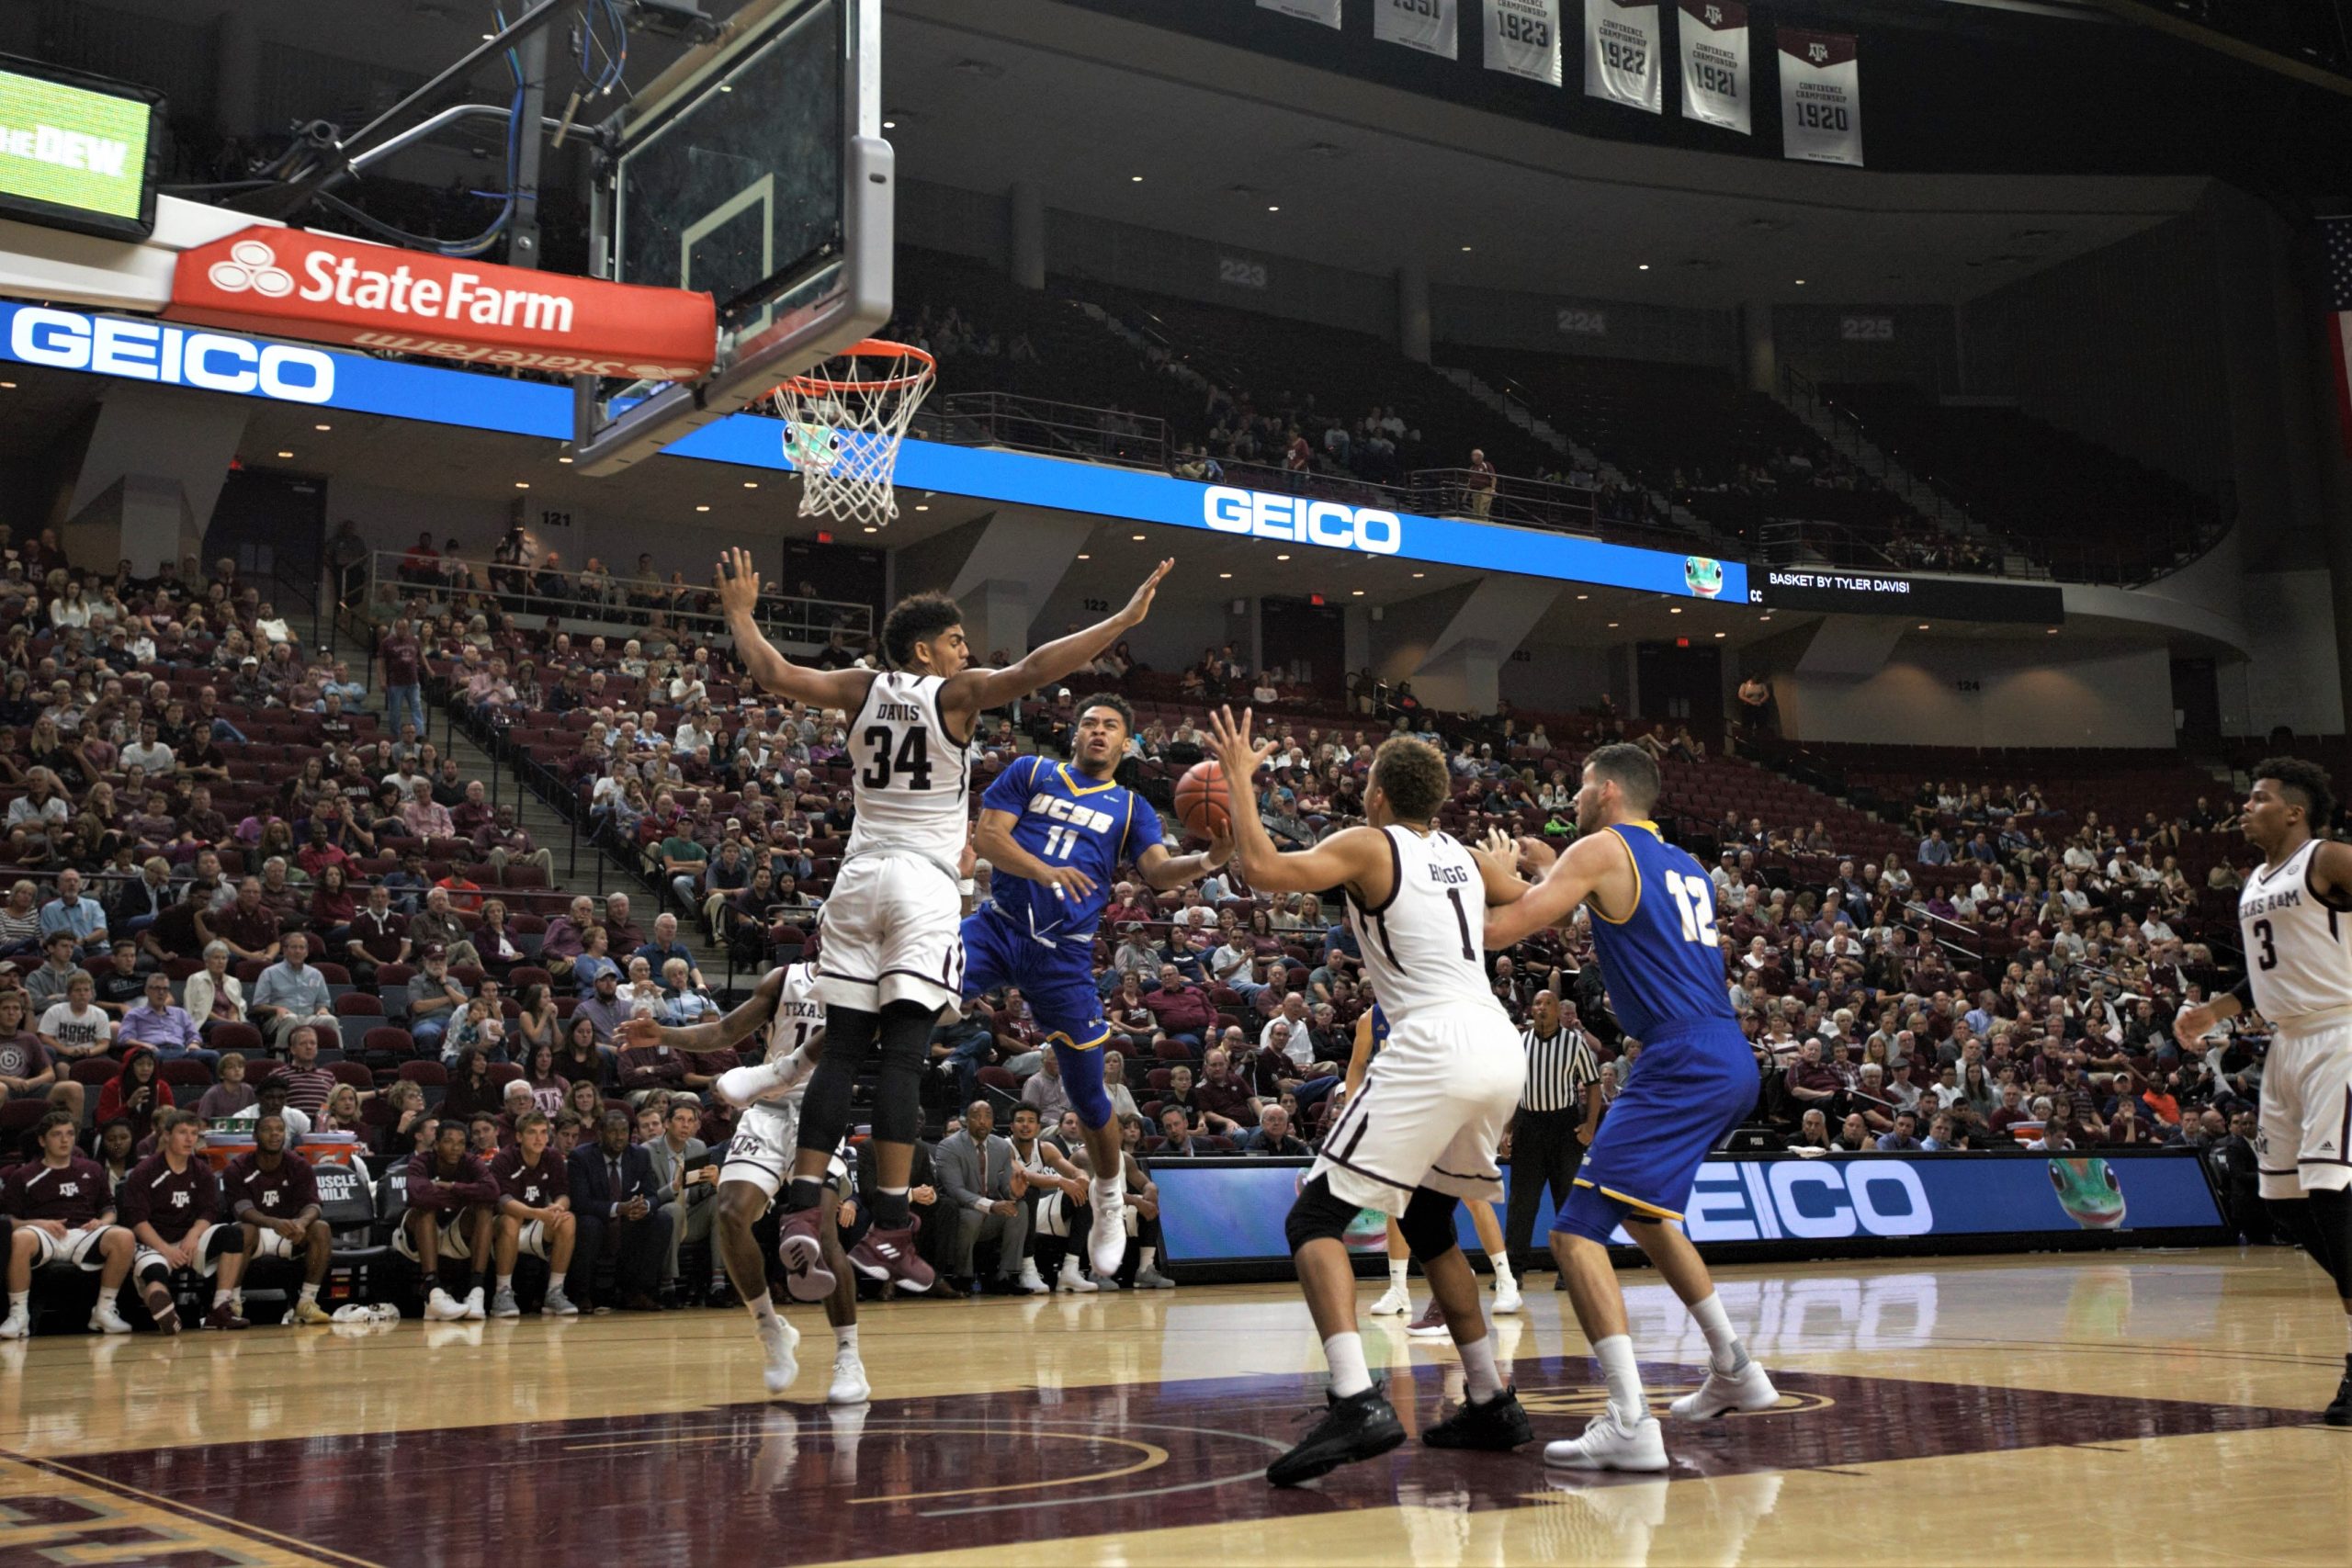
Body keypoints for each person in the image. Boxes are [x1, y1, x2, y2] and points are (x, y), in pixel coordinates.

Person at [715, 544, 1171, 1303]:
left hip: (856, 878)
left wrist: (740, 616)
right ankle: (890, 1225)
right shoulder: (954, 695)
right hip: (924, 885)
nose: (967, 651)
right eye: (957, 640)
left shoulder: (859, 686)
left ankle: (800, 1203)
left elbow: (772, 673)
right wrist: (1122, 620)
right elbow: (1038, 667)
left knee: (845, 1051)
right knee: (900, 1054)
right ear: (928, 650)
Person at [1204, 709, 1532, 1487]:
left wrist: (1243, 783)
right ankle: (1488, 1395)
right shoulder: (1458, 853)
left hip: (1435, 1041)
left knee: (1313, 1214)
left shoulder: (1367, 843)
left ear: (1377, 793)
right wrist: (1508, 861)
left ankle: (1355, 1397)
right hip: (1497, 1042)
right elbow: (1514, 905)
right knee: (1427, 1219)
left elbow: (1263, 869)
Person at [1478, 743, 1780, 1472]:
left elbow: (1502, 930)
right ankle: (1736, 1365)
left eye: (1580, 787)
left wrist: (1494, 881)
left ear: (1607, 791)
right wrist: (1549, 869)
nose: (1572, 796)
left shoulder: (1598, 849)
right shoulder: (1685, 865)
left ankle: (1628, 1419)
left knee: (1575, 1236)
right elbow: (1607, 897)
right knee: (1647, 1216)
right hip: (1728, 1056)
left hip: (1677, 1057)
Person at [959, 693, 1233, 1287]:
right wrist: (1044, 869)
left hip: (1065, 956)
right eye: (1090, 723)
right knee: (914, 991)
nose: (1099, 731)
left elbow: (1158, 871)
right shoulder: (1032, 770)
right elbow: (988, 836)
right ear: (1074, 734)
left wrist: (1209, 859)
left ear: (1127, 742)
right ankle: (799, 1060)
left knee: (1091, 1097)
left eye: (1111, 724)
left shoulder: (1131, 806)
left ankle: (1109, 1198)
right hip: (999, 926)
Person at [2172, 758, 2352, 1427]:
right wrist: (2212, 1012)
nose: (2245, 807)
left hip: (2341, 1032)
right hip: (2285, 1045)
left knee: (2333, 1191)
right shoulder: (2255, 881)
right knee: (2284, 1204)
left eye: (2259, 798)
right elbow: (2266, 972)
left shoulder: (2327, 856)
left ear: (2295, 811)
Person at [624, 959, 866, 1397]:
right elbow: (723, 1032)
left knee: (824, 1230)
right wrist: (664, 1033)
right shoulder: (784, 979)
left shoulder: (866, 984)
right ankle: (770, 1329)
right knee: (731, 1213)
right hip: (767, 1109)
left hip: (819, 1113)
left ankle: (848, 1356)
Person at [0, 1111, 138, 1337]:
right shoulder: (24, 1175)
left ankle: (104, 1311)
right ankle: (18, 1316)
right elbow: (9, 1222)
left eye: (70, 1134)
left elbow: (110, 1209)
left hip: (83, 1232)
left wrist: (101, 1222)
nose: (65, 1140)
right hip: (44, 1233)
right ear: (42, 1140)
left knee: (124, 1236)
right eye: (57, 1135)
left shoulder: (91, 1169)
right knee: (20, 1237)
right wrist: (39, 1223)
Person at [119, 1109, 248, 1332]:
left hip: (189, 1242)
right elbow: (138, 1220)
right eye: (183, 1132)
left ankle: (219, 1308)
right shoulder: (145, 1171)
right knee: (155, 1274)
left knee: (232, 1234)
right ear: (167, 1135)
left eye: (194, 1133)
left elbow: (209, 1211)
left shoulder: (202, 1170)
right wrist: (166, 1250)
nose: (190, 1139)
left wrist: (193, 1235)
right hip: (154, 1242)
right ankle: (165, 1311)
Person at [1502, 988, 1601, 1279]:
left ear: (1558, 1011)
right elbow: (1511, 1091)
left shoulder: (1575, 1043)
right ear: (1530, 1011)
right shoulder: (1520, 1042)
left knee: (1568, 1202)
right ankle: (1514, 1273)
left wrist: (1590, 1127)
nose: (1542, 1007)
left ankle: (1570, 1271)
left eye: (1548, 1003)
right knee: (1521, 1203)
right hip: (1528, 1126)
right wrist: (1506, 1131)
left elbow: (1593, 1085)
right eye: (1537, 1003)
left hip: (1564, 1128)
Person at [223, 1112, 334, 1325]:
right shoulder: (237, 1167)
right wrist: (274, 1222)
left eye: (279, 1129)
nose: (275, 1134)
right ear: (255, 1136)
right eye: (267, 1129)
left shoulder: (299, 1165)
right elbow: (243, 1210)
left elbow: (313, 1204)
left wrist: (302, 1222)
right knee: (242, 1231)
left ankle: (306, 1303)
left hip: (290, 1234)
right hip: (255, 1234)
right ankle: (232, 1303)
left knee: (321, 1228)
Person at [935, 1098, 1046, 1296]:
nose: (982, 1121)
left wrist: (1014, 1193)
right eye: (976, 1117)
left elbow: (1003, 1187)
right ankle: (963, 1278)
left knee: (1019, 1208)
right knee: (973, 1216)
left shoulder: (1001, 1147)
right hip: (960, 1212)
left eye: (988, 1117)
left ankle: (1006, 1277)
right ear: (966, 1120)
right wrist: (990, 1205)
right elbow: (955, 1190)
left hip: (989, 1214)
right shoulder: (948, 1146)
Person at [567, 1109, 672, 1314]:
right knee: (589, 1224)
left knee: (662, 1219)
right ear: (600, 1134)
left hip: (629, 1222)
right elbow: (580, 1202)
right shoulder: (581, 1157)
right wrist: (617, 1209)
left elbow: (652, 1194)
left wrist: (644, 1206)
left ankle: (638, 1292)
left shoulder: (640, 1154)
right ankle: (581, 1294)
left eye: (624, 1131)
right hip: (597, 1221)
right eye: (613, 1131)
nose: (619, 1136)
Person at [400, 1118, 501, 1323]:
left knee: (485, 1209)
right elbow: (417, 1196)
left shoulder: (472, 1162)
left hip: (455, 1230)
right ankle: (433, 1288)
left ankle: (476, 1291)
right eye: (448, 1141)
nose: (455, 1148)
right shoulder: (420, 1162)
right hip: (417, 1234)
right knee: (425, 1209)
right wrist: (464, 1196)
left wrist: (454, 1186)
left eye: (461, 1142)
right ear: (436, 1145)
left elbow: (492, 1192)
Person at [486, 1111, 581, 1317]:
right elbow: (503, 1202)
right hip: (501, 1229)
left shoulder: (553, 1157)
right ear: (519, 1137)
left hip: (535, 1224)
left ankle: (555, 1292)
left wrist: (558, 1207)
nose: (539, 1138)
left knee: (567, 1220)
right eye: (532, 1133)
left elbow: (563, 1194)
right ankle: (502, 1293)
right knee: (511, 1220)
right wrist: (538, 1213)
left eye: (543, 1132)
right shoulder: (504, 1159)